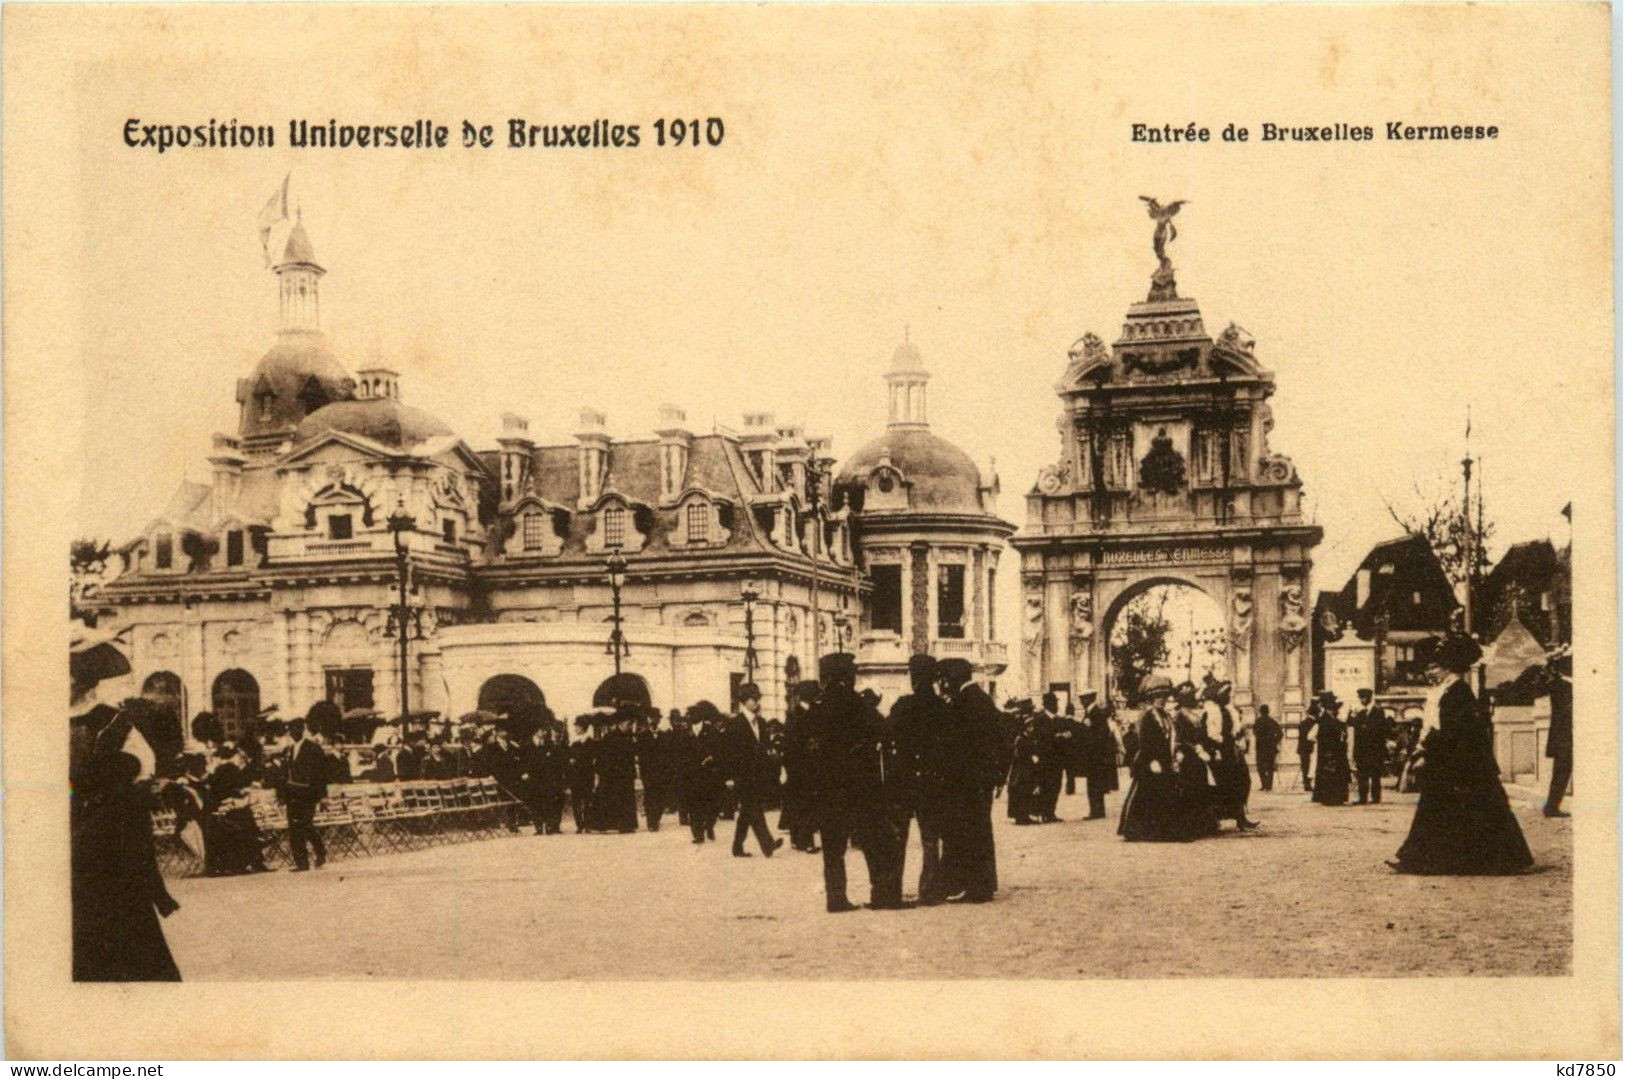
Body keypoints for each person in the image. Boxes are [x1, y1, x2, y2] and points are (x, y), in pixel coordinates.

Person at [1390, 634, 1534, 875]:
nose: (1430, 673)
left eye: (1434, 667)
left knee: (1463, 810)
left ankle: (1432, 860)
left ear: (1448, 668)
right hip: (1452, 759)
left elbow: (1453, 731)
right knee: (1445, 809)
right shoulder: (1446, 692)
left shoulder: (1458, 692)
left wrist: (1428, 750)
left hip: (1462, 763)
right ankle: (1420, 858)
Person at [72, 700, 183, 981]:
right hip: (127, 896)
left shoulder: (92, 795)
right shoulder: (130, 800)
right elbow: (142, 853)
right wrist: (160, 896)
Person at [804, 653, 889, 912]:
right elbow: (881, 729)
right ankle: (881, 892)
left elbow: (806, 745)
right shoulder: (856, 704)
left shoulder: (817, 707)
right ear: (845, 676)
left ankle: (836, 897)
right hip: (858, 785)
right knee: (872, 840)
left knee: (833, 846)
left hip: (828, 788)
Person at [936, 658, 1005, 902]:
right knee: (979, 829)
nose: (942, 684)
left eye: (944, 679)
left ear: (953, 679)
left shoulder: (964, 703)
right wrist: (998, 773)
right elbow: (1002, 734)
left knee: (969, 830)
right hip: (980, 778)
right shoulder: (981, 699)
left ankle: (975, 886)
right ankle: (981, 884)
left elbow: (955, 745)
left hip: (966, 780)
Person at [881, 655, 937, 907]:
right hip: (931, 780)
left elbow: (886, 732)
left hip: (902, 780)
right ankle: (929, 890)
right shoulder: (941, 708)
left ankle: (892, 891)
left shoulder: (903, 705)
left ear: (913, 679)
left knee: (897, 838)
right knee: (930, 838)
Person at [1118, 675, 1185, 842]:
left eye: (1164, 697)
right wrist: (1152, 761)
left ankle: (1167, 830)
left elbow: (1172, 738)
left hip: (1166, 760)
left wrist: (1176, 753)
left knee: (1167, 793)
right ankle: (1145, 830)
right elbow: (1145, 741)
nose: (1161, 700)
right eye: (1158, 697)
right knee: (1149, 795)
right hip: (1151, 761)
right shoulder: (1148, 717)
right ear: (1151, 698)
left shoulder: (1167, 716)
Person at [720, 683, 784, 858]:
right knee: (753, 808)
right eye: (752, 699)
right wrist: (730, 777)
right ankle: (767, 843)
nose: (756, 702)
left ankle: (737, 846)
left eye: (757, 698)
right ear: (744, 701)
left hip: (759, 776)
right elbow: (729, 754)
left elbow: (765, 750)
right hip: (743, 776)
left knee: (747, 813)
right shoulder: (735, 724)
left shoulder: (762, 723)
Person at [1204, 680, 1258, 831]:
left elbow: (1236, 731)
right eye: (1227, 694)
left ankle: (1241, 818)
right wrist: (1215, 750)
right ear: (1220, 696)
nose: (1229, 697)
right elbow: (1209, 735)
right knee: (1224, 787)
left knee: (1243, 781)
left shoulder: (1230, 712)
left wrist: (1241, 739)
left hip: (1233, 753)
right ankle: (1220, 820)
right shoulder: (1212, 713)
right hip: (1222, 754)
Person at [281, 711, 330, 871]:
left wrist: (323, 796)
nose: (291, 733)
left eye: (294, 730)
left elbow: (322, 774)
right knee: (294, 828)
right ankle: (301, 862)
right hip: (292, 795)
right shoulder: (288, 750)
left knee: (306, 825)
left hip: (308, 794)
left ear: (301, 730)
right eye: (290, 730)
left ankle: (320, 851)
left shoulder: (313, 748)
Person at [779, 681, 821, 852]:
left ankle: (797, 839)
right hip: (804, 765)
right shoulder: (805, 715)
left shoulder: (794, 714)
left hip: (795, 766)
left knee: (797, 802)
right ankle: (808, 842)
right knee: (807, 803)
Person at [679, 702, 725, 844]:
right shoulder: (686, 733)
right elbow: (680, 754)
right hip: (692, 776)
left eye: (693, 715)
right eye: (689, 715)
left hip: (709, 775)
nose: (691, 718)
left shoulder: (711, 731)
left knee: (712, 805)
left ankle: (710, 825)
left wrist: (712, 758)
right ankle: (698, 834)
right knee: (694, 805)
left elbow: (720, 750)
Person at [1347, 689, 1394, 805]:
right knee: (1362, 775)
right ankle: (1362, 797)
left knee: (1375, 775)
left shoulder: (1378, 711)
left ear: (1370, 698)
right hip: (1361, 749)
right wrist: (1352, 714)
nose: (1363, 700)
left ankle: (1376, 797)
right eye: (1361, 698)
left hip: (1375, 748)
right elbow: (1350, 724)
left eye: (1365, 698)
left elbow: (1381, 729)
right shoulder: (1358, 712)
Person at [476, 726, 526, 832]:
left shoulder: (511, 744)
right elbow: (488, 762)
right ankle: (498, 822)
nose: (505, 732)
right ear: (497, 732)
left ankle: (512, 823)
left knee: (511, 800)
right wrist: (490, 774)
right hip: (498, 777)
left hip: (512, 777)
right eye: (503, 730)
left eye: (505, 730)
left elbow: (516, 760)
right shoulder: (491, 746)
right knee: (501, 799)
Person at [1544, 650, 1573, 817]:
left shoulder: (1559, 684)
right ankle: (1551, 807)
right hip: (1564, 736)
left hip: (1561, 736)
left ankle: (1551, 806)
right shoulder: (1562, 685)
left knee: (1560, 773)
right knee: (1561, 773)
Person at [1080, 698, 1120, 820]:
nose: (1081, 702)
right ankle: (1098, 810)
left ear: (1086, 699)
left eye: (1082, 699)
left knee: (1094, 783)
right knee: (1096, 782)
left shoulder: (1095, 713)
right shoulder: (1093, 712)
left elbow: (1101, 734)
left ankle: (1095, 811)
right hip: (1096, 754)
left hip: (1095, 755)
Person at [1310, 691, 1351, 807]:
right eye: (1333, 708)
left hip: (1333, 750)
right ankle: (1330, 798)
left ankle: (1334, 797)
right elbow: (1326, 737)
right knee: (1331, 774)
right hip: (1330, 751)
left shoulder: (1329, 719)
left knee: (1334, 774)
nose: (1335, 710)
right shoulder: (1325, 720)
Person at [1033, 693, 1066, 823]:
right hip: (1045, 759)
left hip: (1057, 759)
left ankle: (1050, 812)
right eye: (1055, 703)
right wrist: (1057, 737)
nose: (1057, 705)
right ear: (1048, 705)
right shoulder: (1040, 719)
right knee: (1046, 785)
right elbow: (1040, 738)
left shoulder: (1059, 720)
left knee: (1056, 785)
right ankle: (1044, 812)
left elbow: (1063, 734)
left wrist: (1064, 736)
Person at [567, 721, 596, 833]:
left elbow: (589, 758)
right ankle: (579, 825)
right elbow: (569, 758)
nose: (575, 729)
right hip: (576, 777)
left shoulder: (590, 742)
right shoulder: (574, 743)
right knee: (576, 802)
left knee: (588, 801)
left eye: (577, 727)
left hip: (587, 776)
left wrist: (576, 760)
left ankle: (587, 824)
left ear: (582, 728)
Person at [1253, 705, 1283, 791]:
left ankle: (1264, 784)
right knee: (1270, 766)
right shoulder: (1272, 721)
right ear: (1268, 711)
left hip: (1260, 747)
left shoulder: (1258, 721)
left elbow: (1254, 732)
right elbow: (1280, 734)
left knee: (1260, 766)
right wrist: (1274, 741)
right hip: (1271, 747)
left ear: (1260, 712)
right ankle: (1269, 785)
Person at [1297, 700, 1320, 793]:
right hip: (1310, 747)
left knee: (1304, 766)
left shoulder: (1303, 722)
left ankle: (1306, 783)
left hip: (1302, 748)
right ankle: (1308, 784)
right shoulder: (1314, 722)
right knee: (1311, 766)